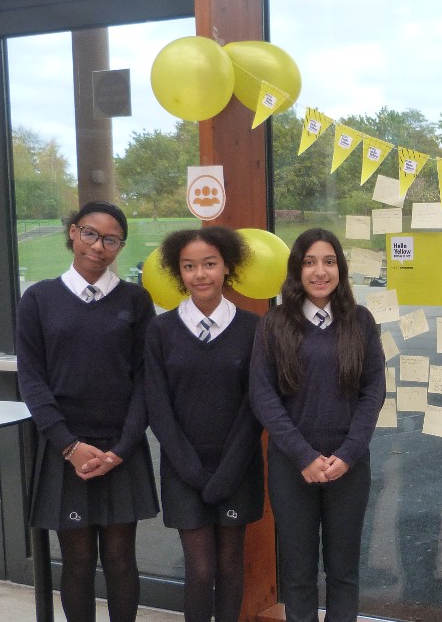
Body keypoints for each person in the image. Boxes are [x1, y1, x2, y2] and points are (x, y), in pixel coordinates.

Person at [16, 201, 158, 622]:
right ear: (74, 233)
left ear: (120, 246)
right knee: (76, 562)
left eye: (111, 239)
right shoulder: (38, 299)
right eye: (91, 233)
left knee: (120, 560)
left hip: (121, 449)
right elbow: (33, 381)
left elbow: (145, 380)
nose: (99, 246)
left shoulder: (136, 300)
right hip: (66, 449)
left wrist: (122, 448)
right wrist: (68, 445)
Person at [250, 228, 386, 622]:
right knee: (298, 574)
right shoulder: (274, 324)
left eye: (328, 261)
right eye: (309, 262)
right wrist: (304, 457)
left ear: (340, 269)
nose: (320, 271)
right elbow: (263, 397)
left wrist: (347, 455)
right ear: (297, 270)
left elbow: (373, 392)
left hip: (349, 466)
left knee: (343, 572)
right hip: (293, 468)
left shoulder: (359, 321)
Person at [144, 226, 262, 621]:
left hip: (237, 468)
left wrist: (227, 472)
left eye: (209, 264)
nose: (201, 274)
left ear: (227, 266)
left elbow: (255, 406)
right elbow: (158, 407)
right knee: (200, 568)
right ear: (179, 273)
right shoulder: (160, 331)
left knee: (230, 564)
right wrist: (192, 471)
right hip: (183, 469)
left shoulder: (253, 328)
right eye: (189, 266)